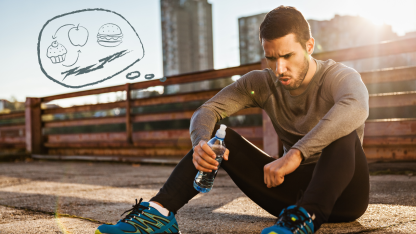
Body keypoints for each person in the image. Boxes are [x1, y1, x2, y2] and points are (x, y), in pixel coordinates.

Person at [95, 5, 370, 234]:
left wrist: (296, 154)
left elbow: (355, 106)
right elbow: (207, 110)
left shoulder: (339, 76)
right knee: (220, 138)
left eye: (288, 56)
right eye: (271, 58)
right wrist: (201, 143)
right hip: (289, 195)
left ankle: (305, 219)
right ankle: (159, 213)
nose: (279, 69)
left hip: (345, 196)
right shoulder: (261, 82)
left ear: (309, 46)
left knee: (342, 131)